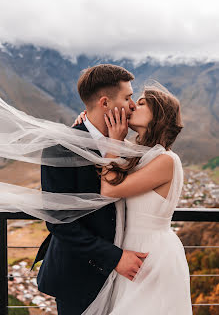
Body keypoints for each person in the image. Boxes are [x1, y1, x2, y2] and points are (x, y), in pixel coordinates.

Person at [33, 64, 149, 315]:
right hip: (78, 277)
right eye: (128, 97)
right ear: (105, 103)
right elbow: (60, 221)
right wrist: (115, 257)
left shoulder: (128, 146)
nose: (132, 105)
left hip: (128, 277)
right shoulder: (61, 148)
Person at [74, 85, 193, 314]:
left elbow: (109, 190)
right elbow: (107, 146)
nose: (131, 106)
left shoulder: (166, 160)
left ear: (157, 115)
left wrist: (115, 141)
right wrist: (88, 124)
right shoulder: (140, 153)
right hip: (130, 251)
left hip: (151, 255)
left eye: (140, 103)